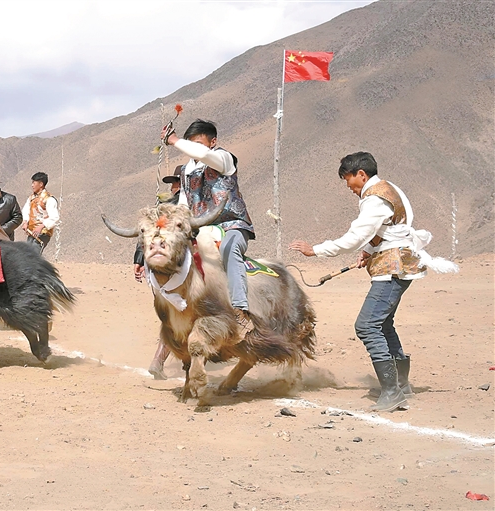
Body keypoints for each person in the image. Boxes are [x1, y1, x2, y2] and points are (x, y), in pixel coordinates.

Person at [288, 151, 451, 412]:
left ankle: (392, 392)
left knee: (366, 325)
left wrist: (315, 250)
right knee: (383, 324)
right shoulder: (387, 188)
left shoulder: (375, 198)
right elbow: (388, 230)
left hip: (392, 268)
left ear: (361, 174)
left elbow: (355, 236)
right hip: (396, 263)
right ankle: (401, 384)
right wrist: (370, 250)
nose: (348, 187)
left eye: (348, 180)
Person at [162, 119, 255, 338]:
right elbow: (184, 204)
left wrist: (175, 140)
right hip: (200, 228)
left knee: (229, 248)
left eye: (198, 143)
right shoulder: (186, 171)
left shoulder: (224, 159)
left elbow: (204, 155)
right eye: (190, 143)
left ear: (213, 142)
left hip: (231, 225)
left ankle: (240, 309)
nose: (193, 148)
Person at [134, 165, 183, 379]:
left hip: (160, 272)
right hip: (178, 271)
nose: (172, 187)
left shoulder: (165, 209)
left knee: (172, 316)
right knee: (180, 316)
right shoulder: (186, 207)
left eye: (175, 182)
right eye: (172, 184)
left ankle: (160, 361)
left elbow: (146, 236)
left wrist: (139, 260)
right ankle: (159, 360)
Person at [21, 172, 59, 253]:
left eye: (34, 183)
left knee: (34, 253)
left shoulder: (49, 199)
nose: (32, 185)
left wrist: (41, 226)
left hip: (43, 232)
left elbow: (54, 217)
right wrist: (25, 222)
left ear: (41, 184)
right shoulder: (31, 198)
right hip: (32, 231)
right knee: (27, 253)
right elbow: (26, 210)